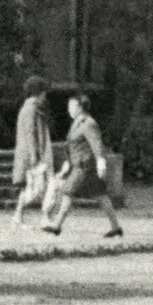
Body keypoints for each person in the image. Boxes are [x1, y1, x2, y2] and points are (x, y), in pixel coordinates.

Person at [43, 93, 122, 238]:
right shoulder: (78, 122)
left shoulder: (88, 123)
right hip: (82, 165)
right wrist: (68, 161)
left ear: (79, 107)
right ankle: (116, 227)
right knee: (101, 196)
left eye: (71, 106)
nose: (68, 109)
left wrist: (101, 161)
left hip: (85, 167)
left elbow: (96, 143)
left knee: (67, 192)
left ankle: (57, 225)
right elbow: (73, 145)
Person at [11, 76, 54, 228]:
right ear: (39, 92)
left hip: (32, 153)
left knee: (30, 186)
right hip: (34, 154)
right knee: (45, 185)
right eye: (44, 92)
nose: (45, 96)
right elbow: (30, 133)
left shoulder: (30, 108)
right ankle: (44, 217)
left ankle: (19, 216)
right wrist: (35, 155)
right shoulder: (31, 109)